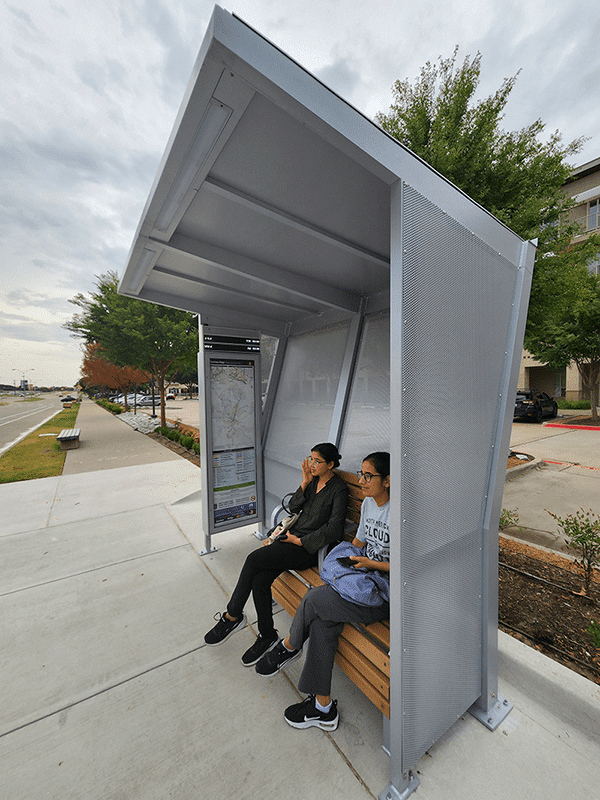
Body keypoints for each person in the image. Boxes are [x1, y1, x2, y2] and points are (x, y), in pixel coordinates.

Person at [254, 451, 390, 732]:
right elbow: (357, 542)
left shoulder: (400, 513)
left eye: (368, 476)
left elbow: (407, 564)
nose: (362, 480)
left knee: (314, 599)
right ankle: (323, 707)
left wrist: (369, 564)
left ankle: (290, 645)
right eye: (361, 474)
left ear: (387, 481)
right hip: (362, 577)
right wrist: (347, 565)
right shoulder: (368, 505)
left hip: (382, 592)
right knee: (321, 625)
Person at [204, 443, 349, 667]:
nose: (311, 464)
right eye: (310, 459)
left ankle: (232, 616)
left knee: (253, 559)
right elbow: (292, 507)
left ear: (331, 464)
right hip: (290, 540)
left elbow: (335, 528)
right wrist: (304, 482)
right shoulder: (312, 482)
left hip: (307, 549)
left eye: (317, 461)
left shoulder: (338, 489)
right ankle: (267, 635)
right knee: (260, 580)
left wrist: (300, 540)